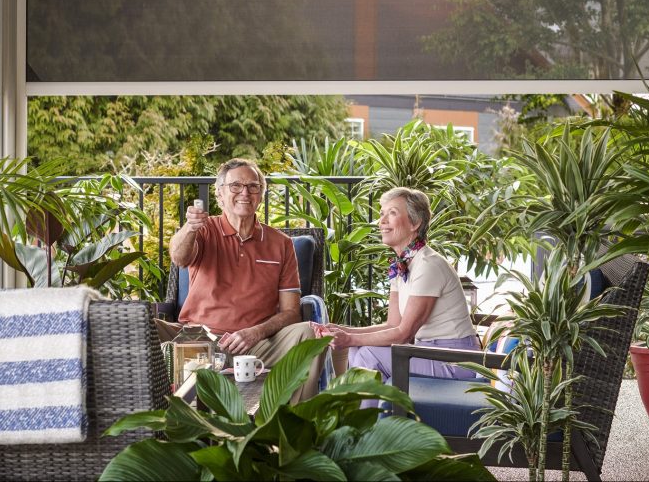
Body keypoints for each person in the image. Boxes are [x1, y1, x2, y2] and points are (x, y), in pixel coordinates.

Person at [161, 158, 323, 402]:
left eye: (253, 186)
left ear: (261, 195)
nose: (245, 193)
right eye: (236, 186)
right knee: (139, 327)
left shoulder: (282, 244)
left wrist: (255, 333)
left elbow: (292, 312)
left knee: (309, 334)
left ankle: (292, 426)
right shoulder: (204, 230)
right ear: (220, 194)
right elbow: (179, 257)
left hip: (256, 345)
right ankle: (153, 426)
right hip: (197, 339)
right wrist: (190, 228)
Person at [327, 186, 479, 387]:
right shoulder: (403, 265)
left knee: (369, 355)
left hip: (454, 361)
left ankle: (365, 418)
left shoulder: (428, 265)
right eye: (382, 214)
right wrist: (343, 330)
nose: (382, 221)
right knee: (357, 349)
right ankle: (370, 416)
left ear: (415, 223)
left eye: (392, 213)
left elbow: (404, 334)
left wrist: (348, 338)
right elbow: (392, 325)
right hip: (429, 352)